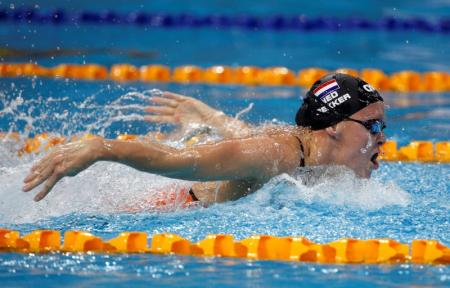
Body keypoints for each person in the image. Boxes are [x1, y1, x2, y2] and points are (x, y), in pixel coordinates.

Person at [22, 73, 386, 205]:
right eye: (372, 126)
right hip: (172, 205)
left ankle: (202, 121)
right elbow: (181, 160)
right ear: (334, 125)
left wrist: (215, 119)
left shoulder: (310, 152)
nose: (381, 138)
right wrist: (102, 148)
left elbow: (247, 145)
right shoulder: (278, 152)